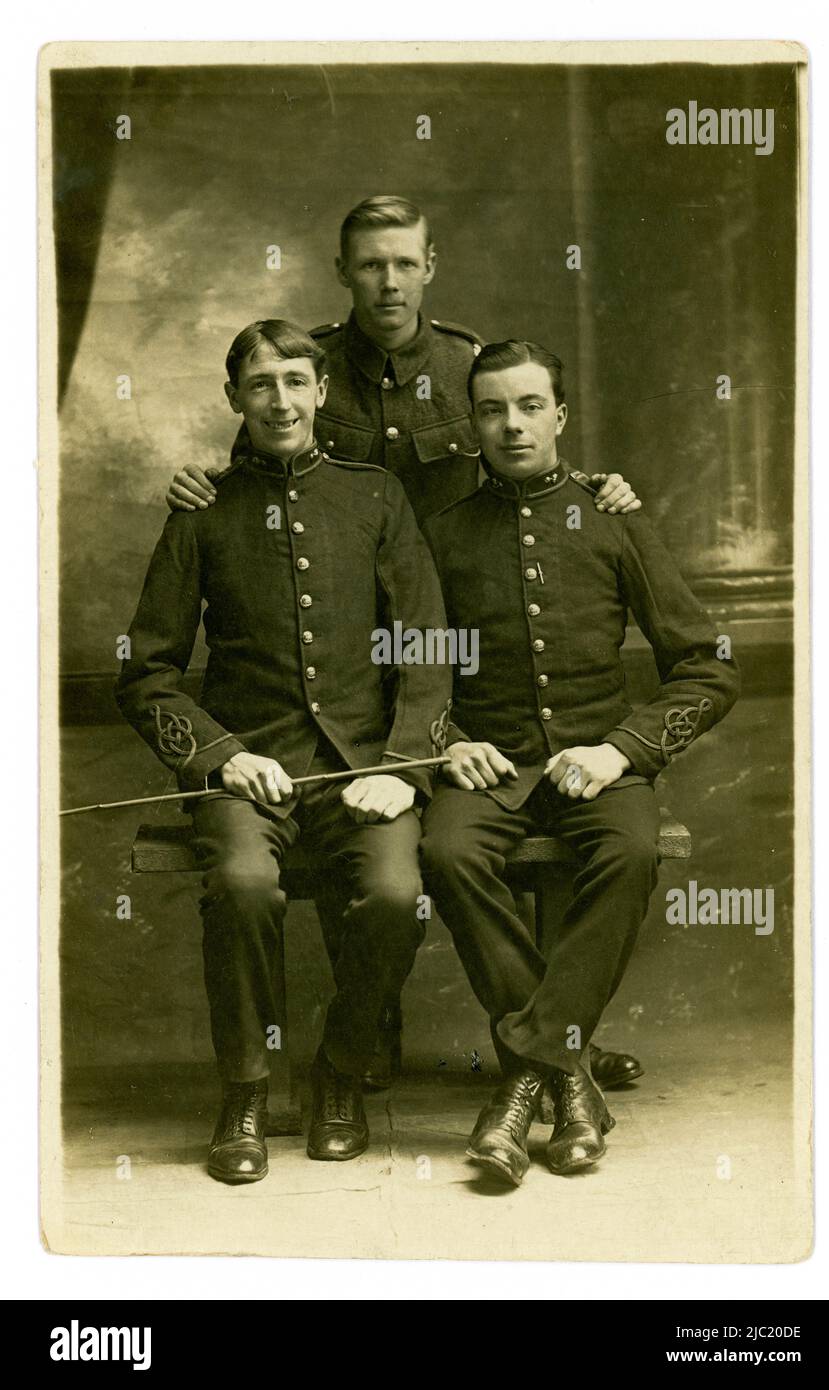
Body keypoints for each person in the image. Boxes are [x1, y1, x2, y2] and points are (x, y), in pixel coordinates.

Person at [162, 194, 644, 1092]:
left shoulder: (465, 362)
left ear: (430, 266)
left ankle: (546, 1040)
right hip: (338, 644)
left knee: (440, 848)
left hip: (460, 624)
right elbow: (260, 489)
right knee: (396, 858)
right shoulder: (302, 363)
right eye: (369, 263)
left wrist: (596, 490)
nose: (387, 280)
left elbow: (524, 445)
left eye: (403, 262)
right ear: (343, 271)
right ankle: (377, 1039)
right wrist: (198, 484)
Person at [116, 320, 450, 1184]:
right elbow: (145, 673)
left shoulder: (375, 496)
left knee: (392, 892)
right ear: (235, 399)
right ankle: (246, 1089)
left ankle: (338, 1071)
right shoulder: (202, 510)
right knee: (240, 883)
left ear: (323, 392)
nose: (280, 400)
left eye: (296, 381)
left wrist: (402, 766)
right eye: (260, 384)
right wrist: (222, 757)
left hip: (362, 769)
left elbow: (425, 644)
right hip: (246, 776)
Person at [418, 340, 741, 1186]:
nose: (512, 425)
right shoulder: (441, 533)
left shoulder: (612, 516)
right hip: (487, 770)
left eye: (530, 406)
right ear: (473, 423)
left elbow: (707, 662)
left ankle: (524, 1080)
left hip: (600, 765)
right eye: (492, 409)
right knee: (446, 852)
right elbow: (402, 663)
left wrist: (619, 750)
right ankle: (570, 1080)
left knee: (631, 851)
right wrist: (448, 740)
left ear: (559, 415)